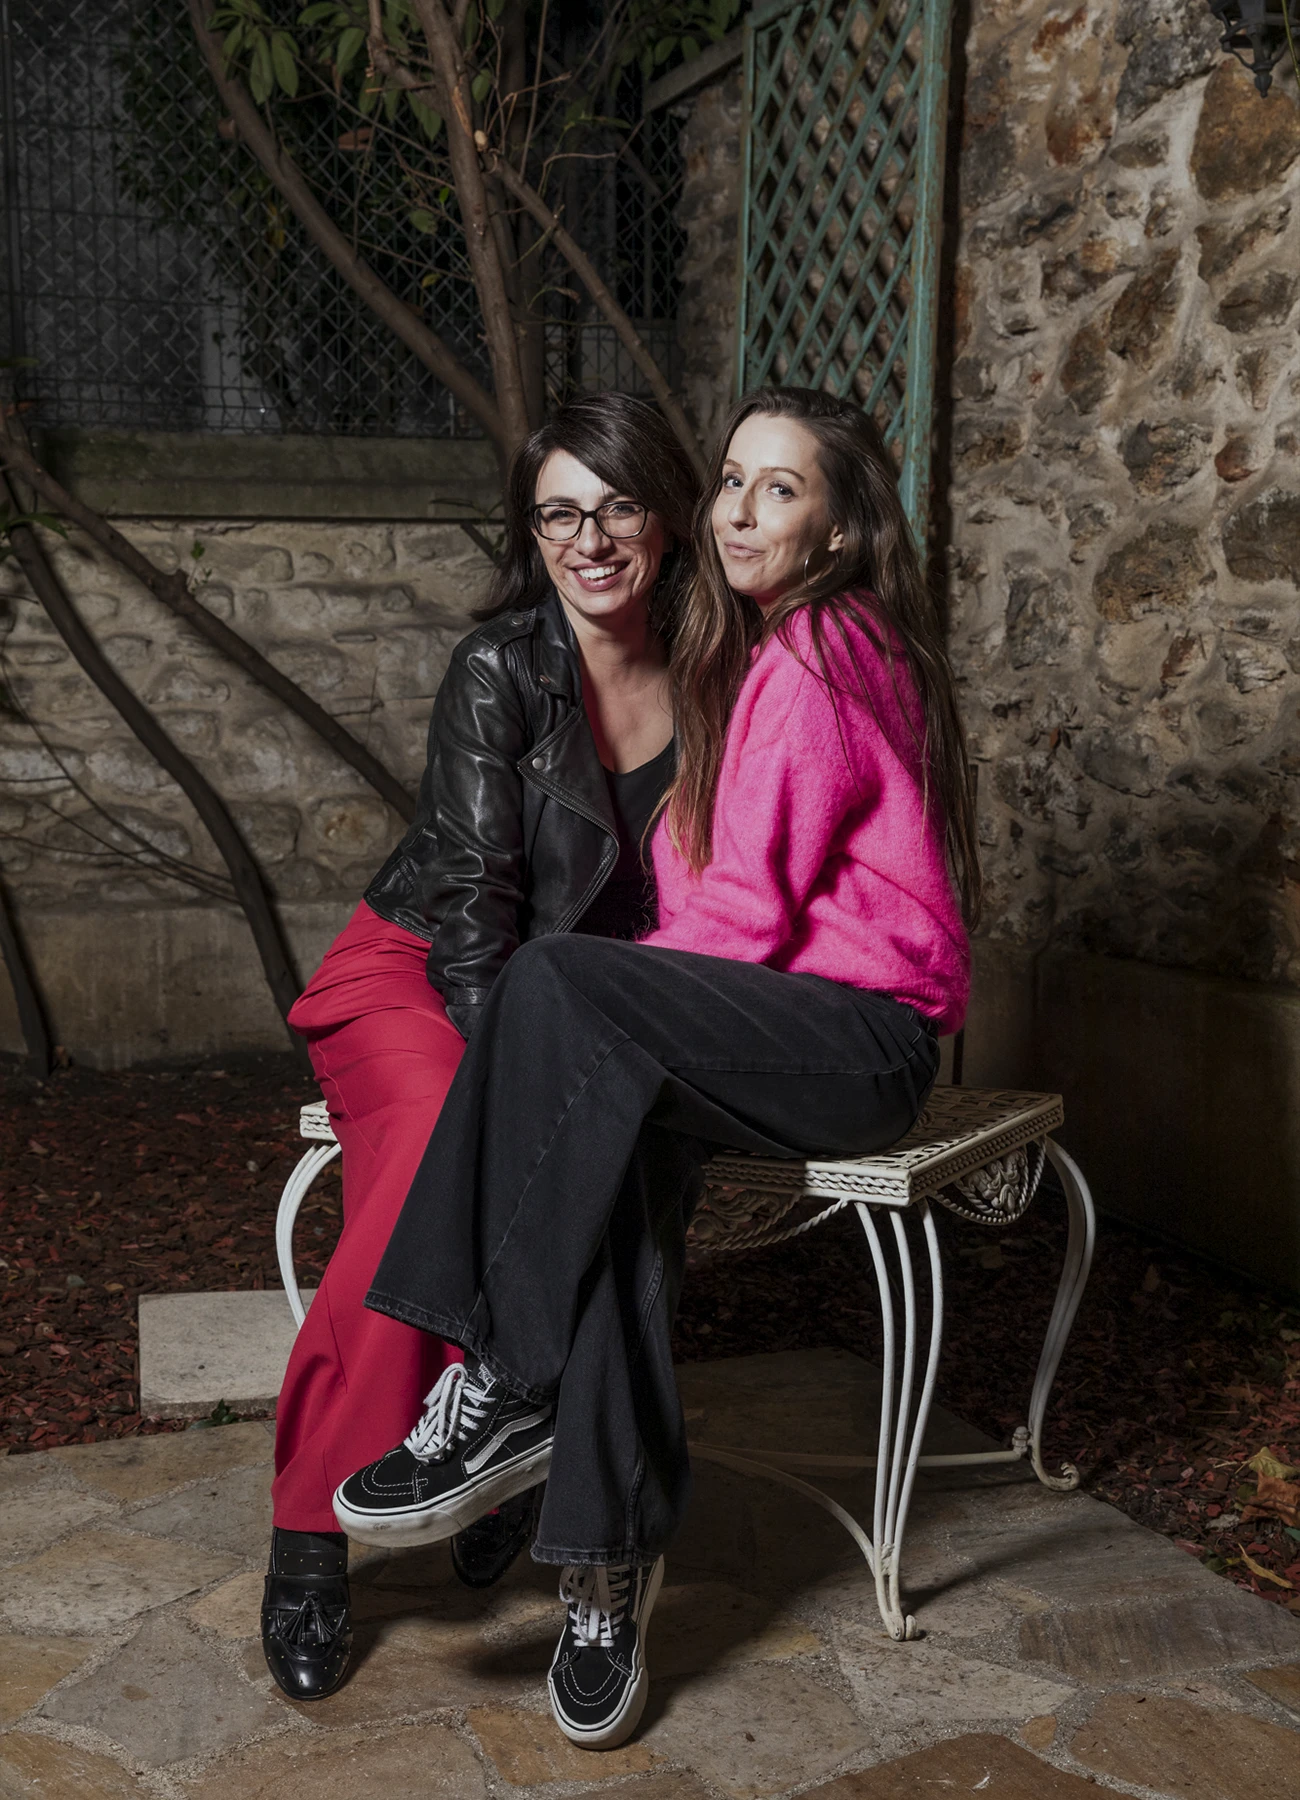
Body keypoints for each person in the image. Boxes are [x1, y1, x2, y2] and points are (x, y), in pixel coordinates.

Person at [333, 386, 979, 1748]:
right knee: (614, 1133)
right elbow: (715, 920)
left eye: (779, 489)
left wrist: (615, 1002)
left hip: (854, 1043)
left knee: (562, 980)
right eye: (732, 481)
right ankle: (604, 1570)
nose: (742, 509)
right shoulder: (760, 654)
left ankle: (500, 1378)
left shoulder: (812, 654)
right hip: (776, 1027)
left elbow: (739, 921)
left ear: (839, 526)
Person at [262, 392, 698, 1701]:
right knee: (435, 1169)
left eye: (616, 503)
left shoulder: (722, 667)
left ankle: (502, 1439)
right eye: (558, 512)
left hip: (582, 1001)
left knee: (594, 1159)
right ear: (532, 531)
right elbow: (470, 911)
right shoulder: (502, 667)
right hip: (423, 974)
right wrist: (523, 1073)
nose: (590, 538)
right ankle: (306, 1536)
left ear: (666, 514)